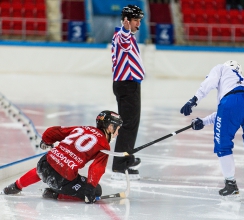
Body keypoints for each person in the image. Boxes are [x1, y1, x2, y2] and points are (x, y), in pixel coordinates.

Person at [181, 60, 244, 197]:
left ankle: (230, 184)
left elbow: (227, 105)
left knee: (223, 144)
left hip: (232, 102)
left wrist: (194, 99)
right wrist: (204, 121)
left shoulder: (221, 68)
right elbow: (231, 110)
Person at [3, 110, 135, 203]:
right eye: (117, 129)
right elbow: (96, 168)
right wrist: (90, 191)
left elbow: (56, 131)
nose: (117, 133)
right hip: (62, 179)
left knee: (49, 164)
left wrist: (46, 140)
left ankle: (15, 186)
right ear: (110, 127)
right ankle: (55, 194)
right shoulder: (104, 145)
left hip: (44, 164)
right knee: (97, 190)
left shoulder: (84, 128)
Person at [111, 5, 145, 180]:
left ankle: (125, 158)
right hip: (127, 85)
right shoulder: (121, 36)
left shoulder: (128, 37)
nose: (139, 23)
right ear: (126, 20)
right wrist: (125, 29)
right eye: (135, 20)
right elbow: (123, 41)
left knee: (131, 125)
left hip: (130, 85)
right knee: (128, 125)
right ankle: (119, 166)